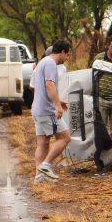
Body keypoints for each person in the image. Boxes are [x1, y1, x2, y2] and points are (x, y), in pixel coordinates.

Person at [31, 39, 73, 182]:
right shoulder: (50, 64)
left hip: (38, 109)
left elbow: (42, 88)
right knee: (66, 138)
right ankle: (46, 165)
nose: (67, 58)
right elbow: (49, 85)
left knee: (43, 142)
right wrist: (57, 105)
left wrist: (58, 101)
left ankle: (39, 177)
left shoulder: (43, 62)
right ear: (62, 52)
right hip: (47, 111)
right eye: (67, 55)